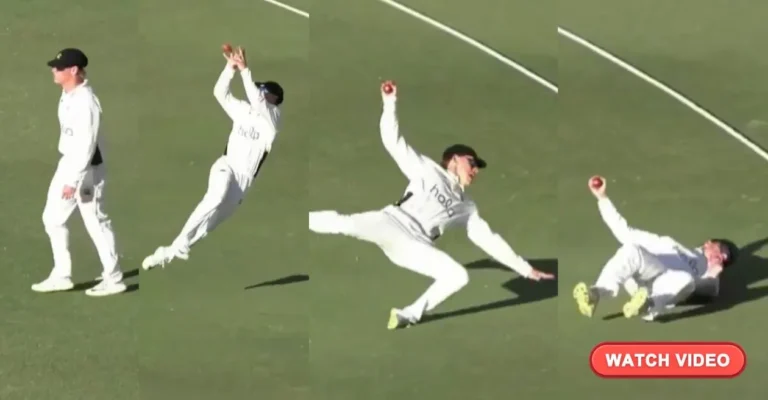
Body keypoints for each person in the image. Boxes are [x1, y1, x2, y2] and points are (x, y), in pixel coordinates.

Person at [309, 81, 555, 330]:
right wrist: (389, 103)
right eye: (472, 163)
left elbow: (488, 239)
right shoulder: (427, 169)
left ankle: (408, 315)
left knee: (458, 276)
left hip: (415, 246)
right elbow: (393, 141)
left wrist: (524, 269)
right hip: (391, 222)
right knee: (344, 223)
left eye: (478, 168)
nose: (475, 170)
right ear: (455, 160)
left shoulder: (467, 207)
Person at [142, 46, 283, 270]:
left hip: (243, 181)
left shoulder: (272, 121)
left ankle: (167, 252)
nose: (260, 94)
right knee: (215, 197)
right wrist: (231, 68)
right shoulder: (243, 110)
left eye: (265, 92)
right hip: (226, 165)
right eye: (260, 90)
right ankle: (180, 243)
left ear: (274, 99)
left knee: (207, 227)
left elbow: (258, 101)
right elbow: (220, 93)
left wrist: (245, 70)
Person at [573, 176, 738, 321]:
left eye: (726, 258)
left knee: (686, 279)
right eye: (722, 249)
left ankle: (647, 306)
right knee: (631, 249)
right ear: (708, 243)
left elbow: (708, 291)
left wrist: (712, 273)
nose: (722, 256)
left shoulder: (710, 275)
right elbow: (625, 232)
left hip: (663, 288)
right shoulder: (669, 243)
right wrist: (602, 198)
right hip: (646, 273)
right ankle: (596, 293)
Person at [32, 48, 127, 297]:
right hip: (69, 163)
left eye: (59, 68)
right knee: (52, 218)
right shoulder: (68, 94)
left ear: (73, 70)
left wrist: (73, 181)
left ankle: (114, 278)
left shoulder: (86, 102)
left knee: (95, 220)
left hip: (86, 170)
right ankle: (62, 275)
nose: (54, 70)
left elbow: (87, 144)